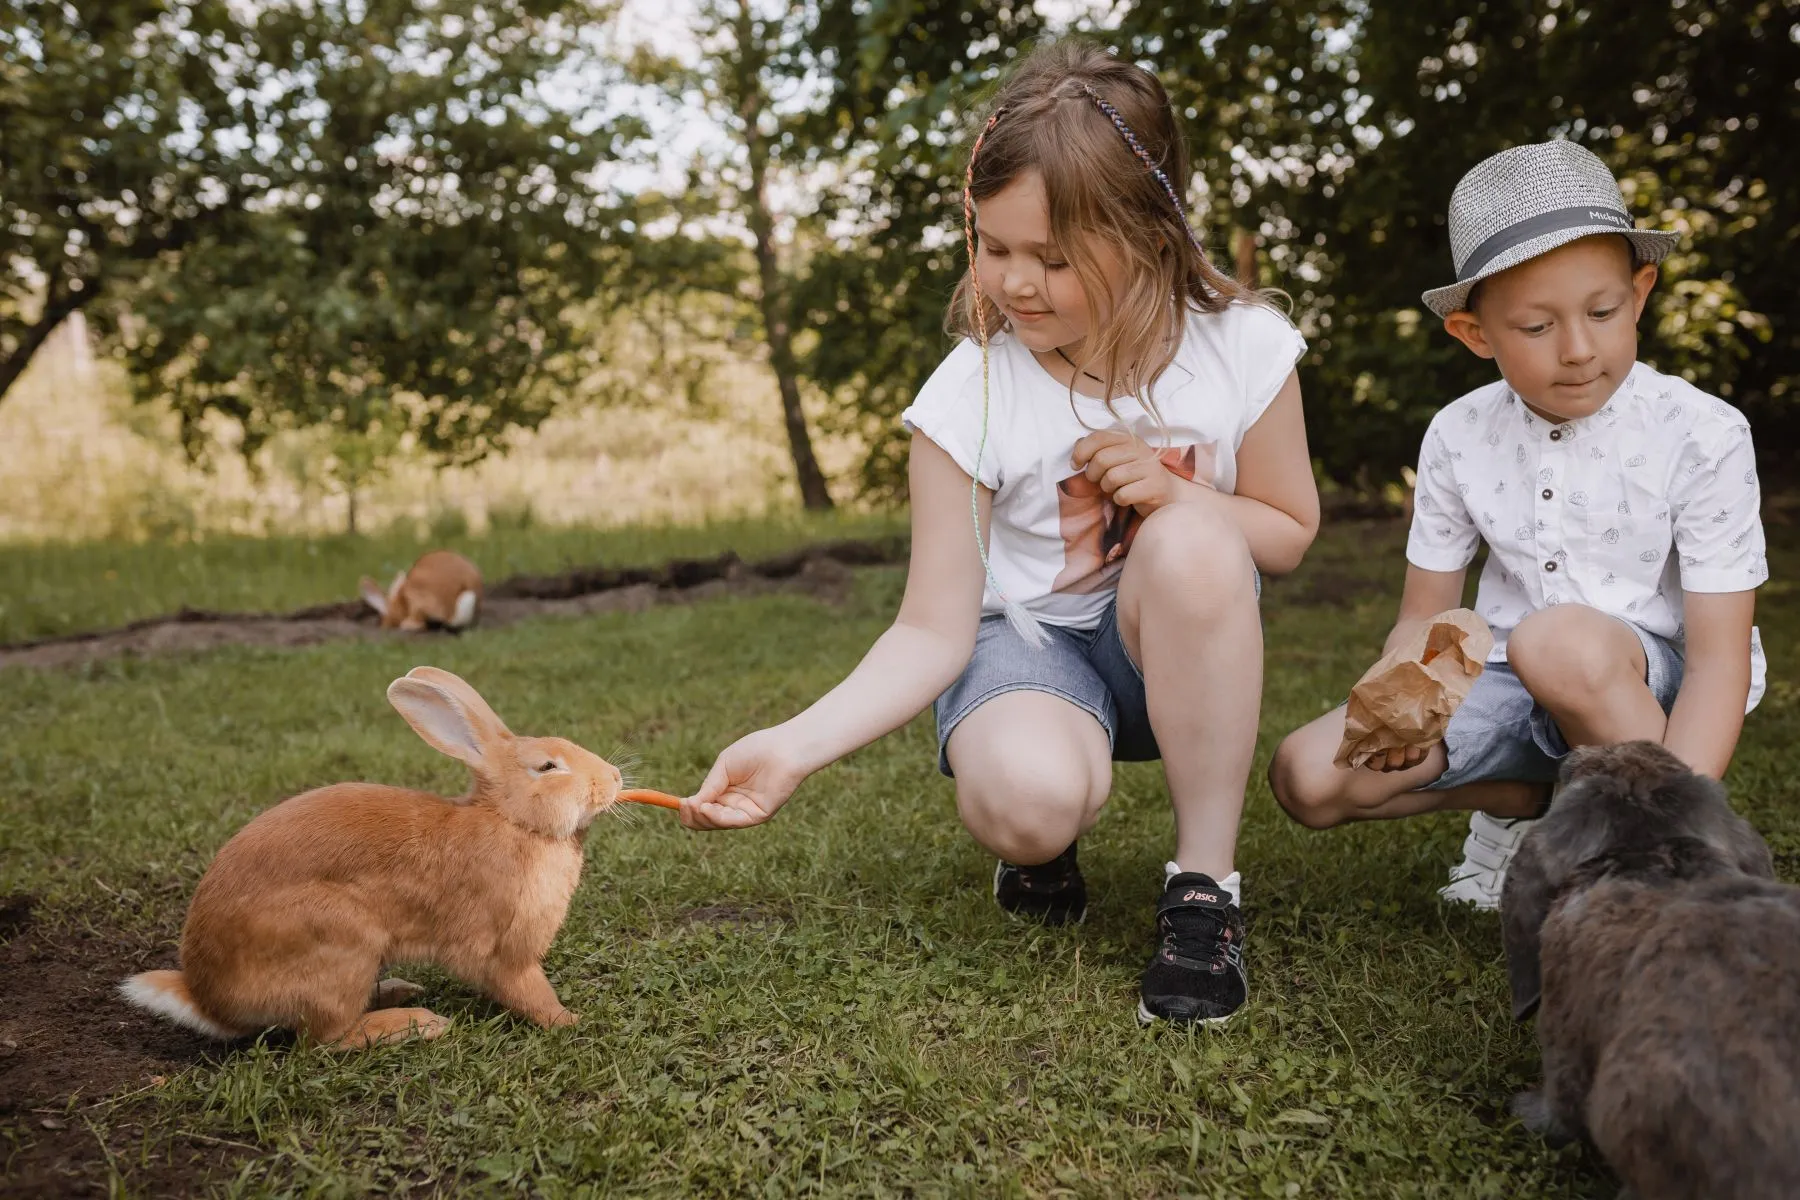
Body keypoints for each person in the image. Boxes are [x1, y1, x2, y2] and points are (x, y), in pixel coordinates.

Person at [678, 39, 1319, 1026]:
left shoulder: (1244, 349)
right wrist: (794, 747)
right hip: (1027, 648)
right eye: (993, 244)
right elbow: (931, 629)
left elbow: (1286, 532)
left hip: (1180, 644)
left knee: (1192, 541)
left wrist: (1173, 493)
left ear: (1149, 236)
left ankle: (1203, 889)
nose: (1014, 282)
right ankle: (1042, 846)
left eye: (1053, 259)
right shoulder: (970, 395)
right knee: (1029, 801)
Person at [1268, 140, 1767, 909]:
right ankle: (1539, 806)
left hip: (1646, 685)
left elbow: (1717, 665)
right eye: (1536, 327)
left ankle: (1667, 859)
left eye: (1602, 312)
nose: (1578, 350)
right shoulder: (1458, 433)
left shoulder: (1704, 433)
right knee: (1307, 776)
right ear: (1476, 334)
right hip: (1503, 677)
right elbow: (1422, 618)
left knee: (1556, 642)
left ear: (1639, 294)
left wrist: (1689, 819)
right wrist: (1403, 706)